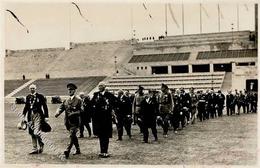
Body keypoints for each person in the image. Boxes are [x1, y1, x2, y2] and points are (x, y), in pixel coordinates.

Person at [55, 83, 82, 159]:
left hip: (76, 121)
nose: (70, 91)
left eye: (71, 90)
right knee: (73, 136)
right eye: (69, 90)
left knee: (71, 135)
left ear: (74, 91)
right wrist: (57, 113)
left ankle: (67, 150)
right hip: (67, 122)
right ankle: (78, 149)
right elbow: (61, 108)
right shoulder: (66, 100)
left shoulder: (78, 100)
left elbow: (82, 111)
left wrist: (74, 113)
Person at [22, 84, 49, 154]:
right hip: (30, 116)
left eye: (33, 88)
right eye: (31, 88)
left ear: (35, 89)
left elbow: (45, 106)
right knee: (31, 133)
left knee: (36, 132)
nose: (32, 89)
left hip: (38, 115)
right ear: (29, 89)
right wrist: (23, 115)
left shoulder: (40, 96)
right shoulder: (28, 97)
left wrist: (46, 116)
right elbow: (26, 107)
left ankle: (41, 144)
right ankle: (34, 149)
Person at [91, 82, 115, 158]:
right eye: (99, 86)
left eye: (101, 86)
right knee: (101, 135)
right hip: (99, 119)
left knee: (106, 135)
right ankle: (102, 151)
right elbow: (91, 103)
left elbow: (115, 103)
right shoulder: (96, 94)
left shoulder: (109, 95)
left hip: (107, 119)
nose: (99, 87)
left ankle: (106, 151)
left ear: (105, 86)